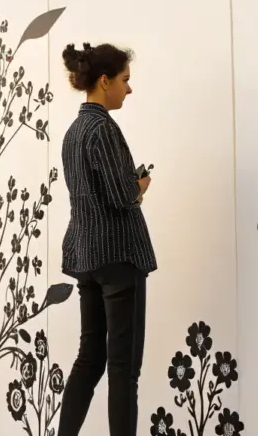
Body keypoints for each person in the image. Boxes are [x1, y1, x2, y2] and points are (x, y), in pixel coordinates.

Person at [56, 43, 156, 436]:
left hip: (87, 257)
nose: (128, 89)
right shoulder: (103, 129)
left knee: (90, 359)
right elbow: (120, 195)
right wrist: (140, 186)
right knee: (123, 369)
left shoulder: (72, 132)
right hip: (119, 256)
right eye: (124, 80)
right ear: (104, 81)